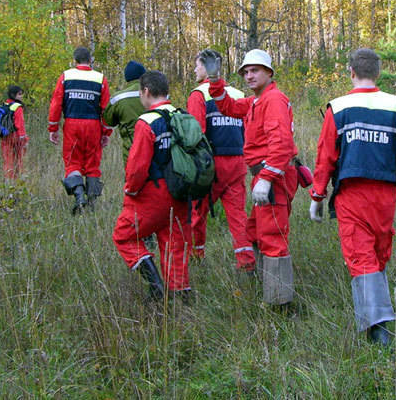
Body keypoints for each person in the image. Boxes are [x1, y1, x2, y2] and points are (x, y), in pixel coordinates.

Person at [309, 48, 396, 345]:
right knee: (378, 252)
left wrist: (317, 195)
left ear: (351, 71)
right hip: (386, 194)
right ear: (378, 73)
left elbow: (326, 156)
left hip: (351, 194)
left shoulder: (338, 108)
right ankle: (378, 316)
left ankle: (379, 334)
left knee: (361, 257)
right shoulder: (395, 105)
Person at [206, 49, 299, 305]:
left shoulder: (274, 100)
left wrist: (267, 177)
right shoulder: (256, 101)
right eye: (245, 72)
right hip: (266, 175)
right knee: (255, 230)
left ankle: (280, 304)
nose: (249, 76)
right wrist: (215, 81)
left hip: (274, 176)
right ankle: (264, 286)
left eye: (255, 70)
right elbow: (228, 106)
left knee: (272, 236)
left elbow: (281, 142)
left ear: (269, 72)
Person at [112, 70, 192, 301]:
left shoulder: (147, 122)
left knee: (124, 237)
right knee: (174, 246)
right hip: (181, 192)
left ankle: (156, 285)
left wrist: (131, 190)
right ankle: (180, 297)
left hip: (152, 194)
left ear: (146, 91)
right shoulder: (182, 115)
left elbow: (137, 167)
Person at [186, 49, 256, 272]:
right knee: (237, 215)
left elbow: (196, 134)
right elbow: (248, 128)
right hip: (237, 161)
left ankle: (196, 255)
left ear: (206, 67)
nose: (194, 70)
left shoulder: (198, 95)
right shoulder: (237, 94)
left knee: (196, 213)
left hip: (211, 165)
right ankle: (246, 262)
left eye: (197, 65)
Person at [48, 47, 112, 214]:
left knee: (72, 162)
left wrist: (53, 127)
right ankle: (91, 203)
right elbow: (106, 108)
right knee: (92, 163)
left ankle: (79, 197)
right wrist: (106, 132)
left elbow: (56, 104)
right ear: (90, 60)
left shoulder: (66, 76)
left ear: (75, 60)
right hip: (93, 125)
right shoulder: (100, 78)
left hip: (72, 124)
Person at [102, 60, 147, 163]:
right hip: (156, 148)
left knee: (132, 177)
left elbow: (108, 121)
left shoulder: (118, 98)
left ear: (127, 78)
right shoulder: (157, 93)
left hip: (131, 149)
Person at [1, 85, 28, 180]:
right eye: (19, 94)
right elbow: (20, 124)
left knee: (8, 161)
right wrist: (23, 138)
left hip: (5, 136)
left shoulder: (4, 105)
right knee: (20, 161)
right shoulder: (17, 107)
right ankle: (19, 180)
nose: (21, 96)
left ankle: (9, 180)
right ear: (13, 95)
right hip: (16, 137)